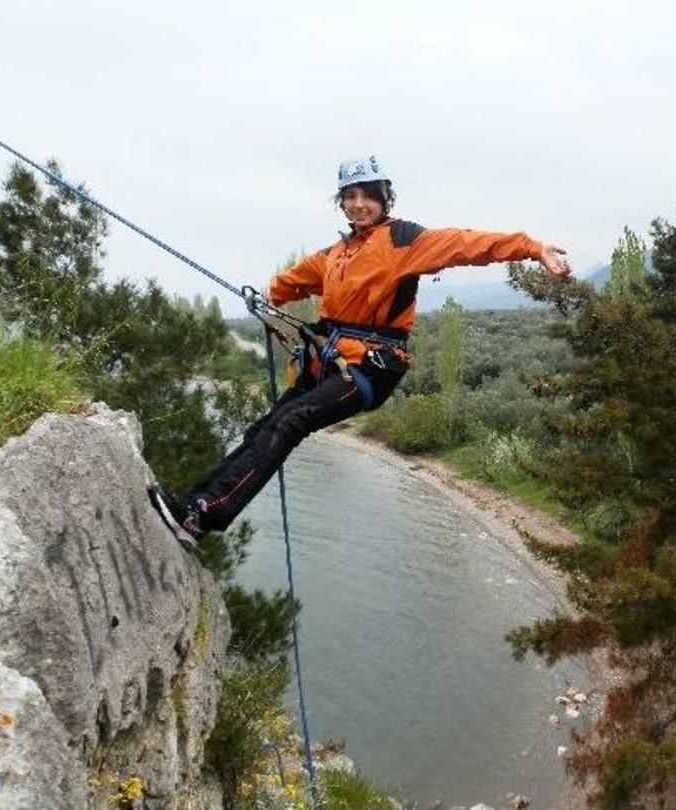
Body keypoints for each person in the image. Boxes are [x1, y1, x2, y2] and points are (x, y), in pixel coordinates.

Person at [149, 155, 571, 546]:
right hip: (329, 360)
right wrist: (269, 296)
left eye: (367, 195)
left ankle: (203, 515)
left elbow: (466, 244)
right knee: (266, 428)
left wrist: (532, 248)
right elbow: (294, 279)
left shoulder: (404, 241)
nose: (358, 204)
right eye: (349, 197)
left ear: (384, 197)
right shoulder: (336, 254)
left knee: (291, 421)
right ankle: (192, 504)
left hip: (370, 368)